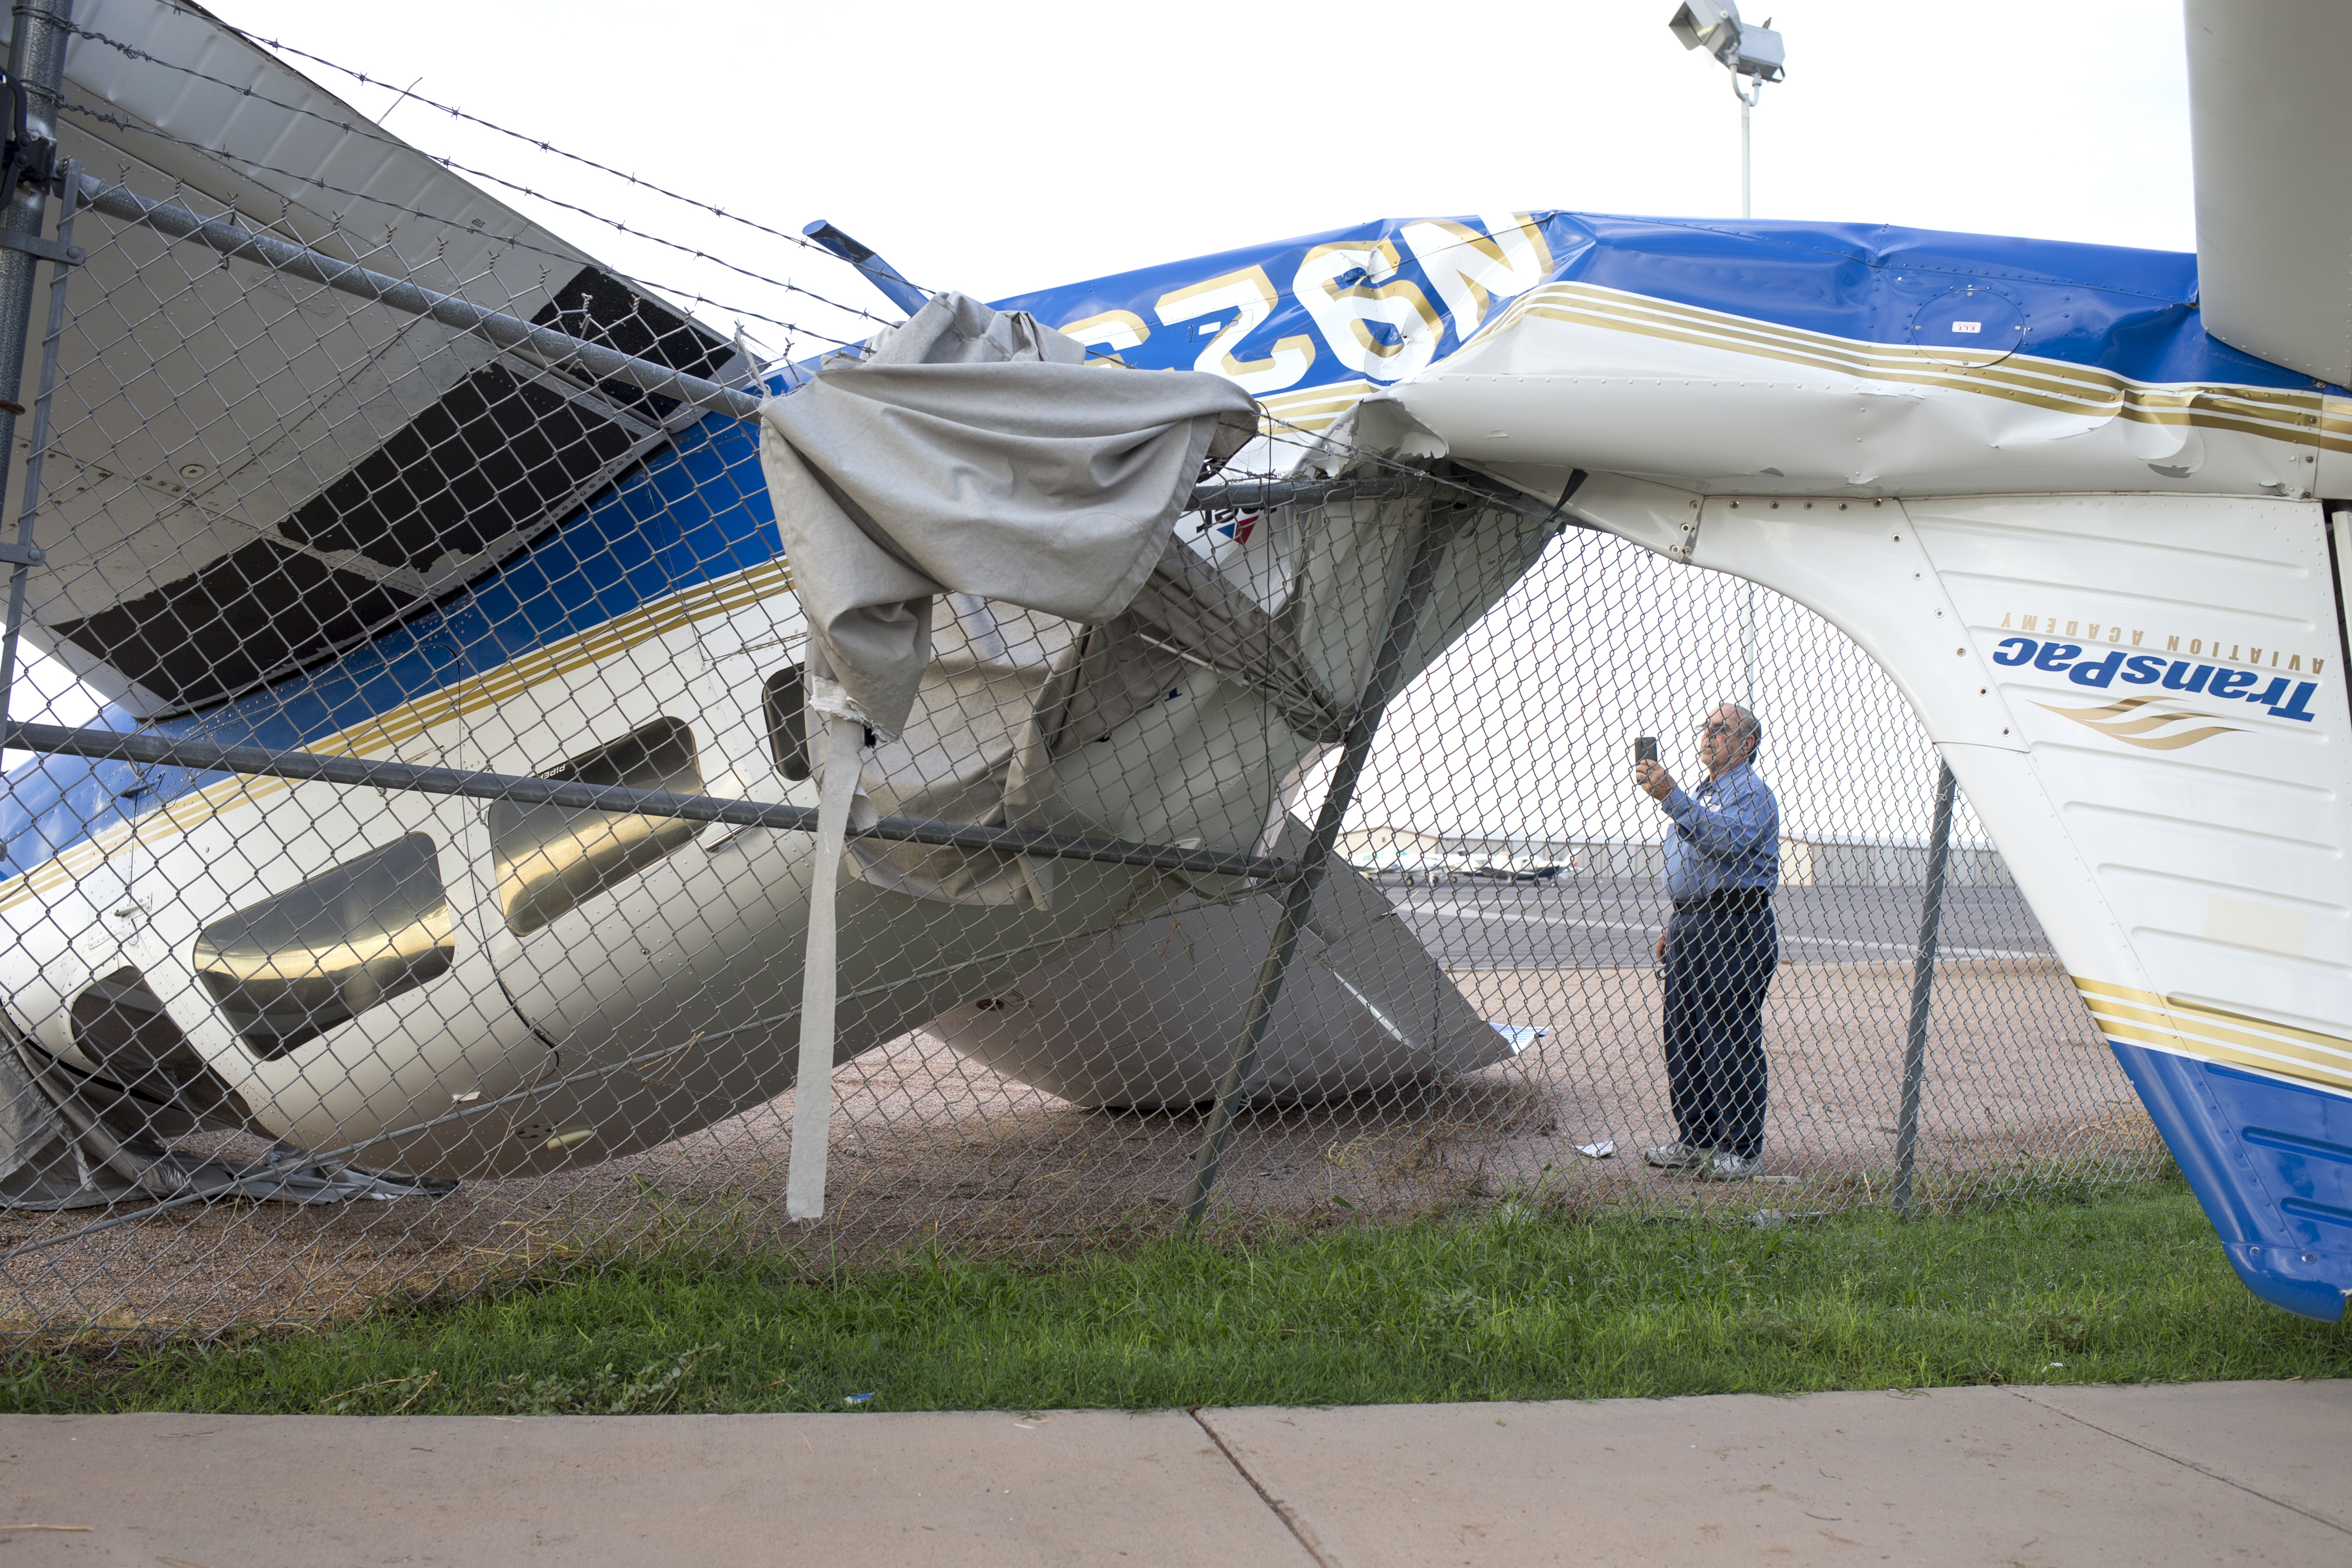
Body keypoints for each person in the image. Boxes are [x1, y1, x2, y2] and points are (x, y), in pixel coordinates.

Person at [1634, 704, 1780, 1181]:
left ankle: (1740, 1148)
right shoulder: (1702, 796)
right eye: (1707, 728)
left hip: (1735, 926)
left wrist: (1672, 797)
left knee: (1727, 1038)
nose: (1710, 735)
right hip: (1692, 928)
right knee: (1685, 1037)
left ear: (1747, 744)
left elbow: (1728, 843)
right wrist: (1675, 923)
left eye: (1722, 729)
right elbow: (1695, 866)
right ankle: (1696, 1140)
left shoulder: (1752, 794)